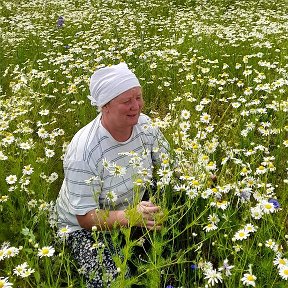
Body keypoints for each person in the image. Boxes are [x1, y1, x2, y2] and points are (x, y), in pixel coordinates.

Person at [56, 62, 169, 287]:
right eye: (126, 101)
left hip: (134, 208)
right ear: (104, 106)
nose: (136, 106)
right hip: (84, 228)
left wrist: (201, 178)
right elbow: (85, 217)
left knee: (169, 247)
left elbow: (168, 164)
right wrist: (130, 217)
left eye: (138, 97)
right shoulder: (84, 150)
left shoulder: (144, 126)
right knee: (114, 281)